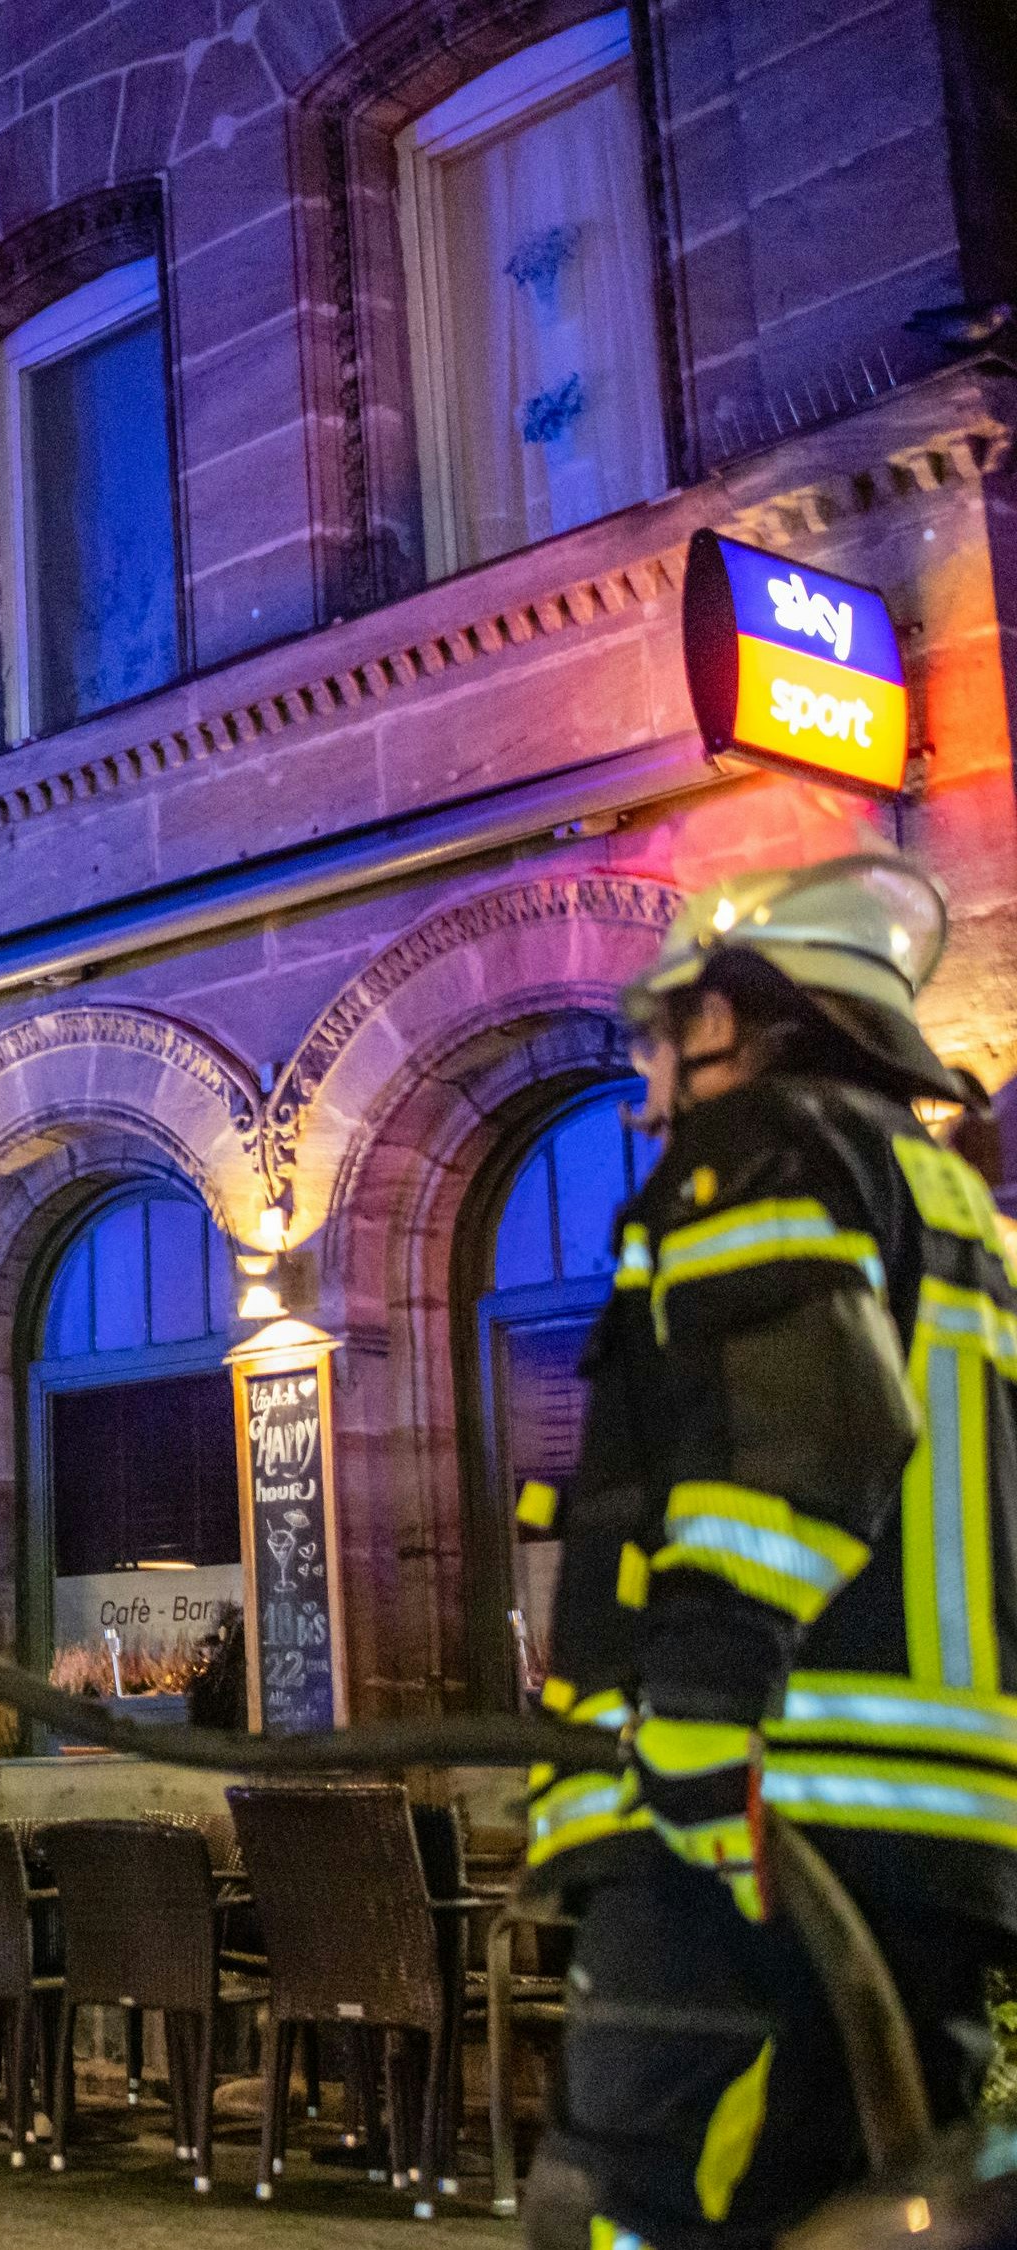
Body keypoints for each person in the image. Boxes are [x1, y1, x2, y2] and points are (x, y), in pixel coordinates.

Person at [522, 852, 1017, 2250]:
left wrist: (696, 1713)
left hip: (749, 1819)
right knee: (863, 2207)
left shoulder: (760, 1152)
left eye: (663, 1036)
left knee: (640, 2209)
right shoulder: (956, 1207)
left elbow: (799, 1440)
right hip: (929, 1843)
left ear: (739, 1015)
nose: (649, 1089)